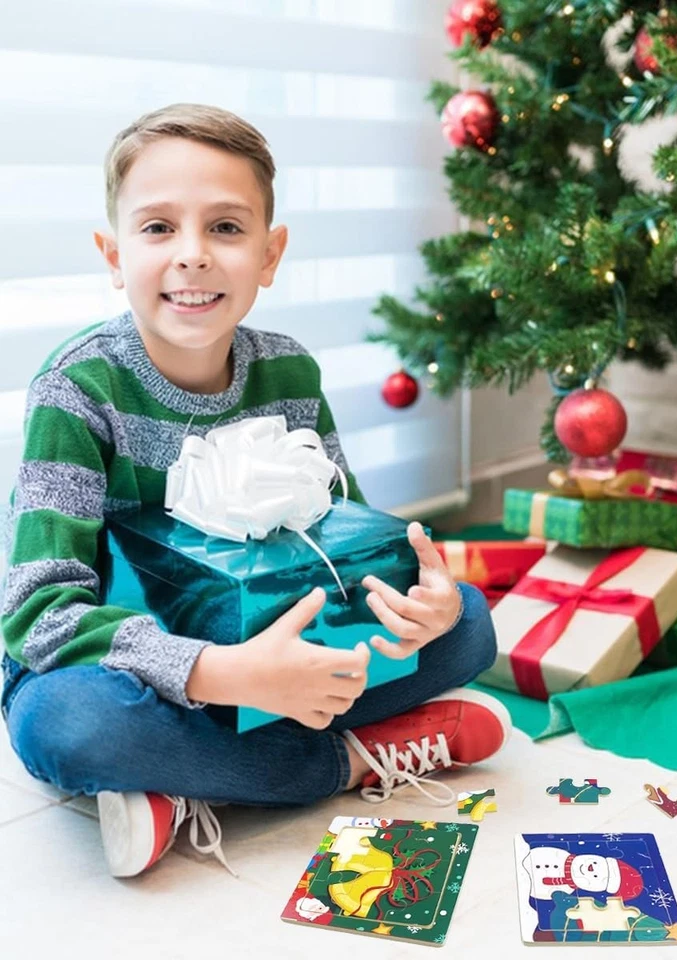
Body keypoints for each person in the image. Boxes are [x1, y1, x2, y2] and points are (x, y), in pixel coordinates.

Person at [0, 103, 509, 879]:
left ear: (270, 255)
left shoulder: (288, 373)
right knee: (61, 725)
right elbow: (37, 614)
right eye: (158, 228)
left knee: (469, 624)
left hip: (280, 649)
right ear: (113, 254)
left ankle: (192, 783)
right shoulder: (76, 392)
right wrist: (224, 674)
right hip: (139, 672)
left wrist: (418, 604)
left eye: (227, 229)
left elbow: (357, 546)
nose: (193, 256)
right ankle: (345, 765)